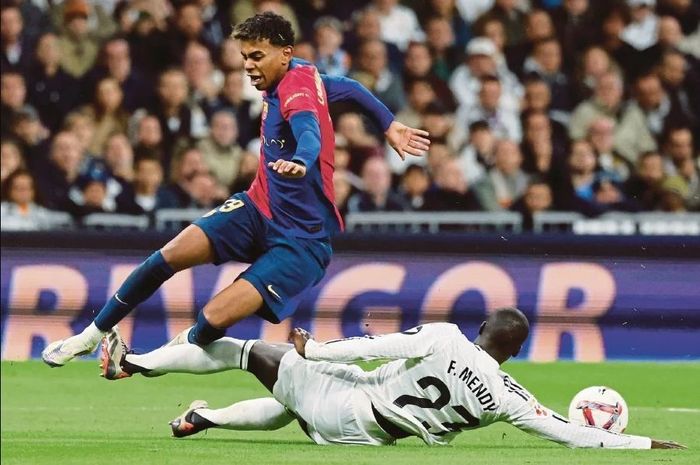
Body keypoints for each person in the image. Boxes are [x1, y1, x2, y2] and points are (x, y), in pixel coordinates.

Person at [42, 12, 430, 368]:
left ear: (284, 53)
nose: (248, 65)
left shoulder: (295, 89)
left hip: (300, 243)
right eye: (245, 56)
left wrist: (303, 159)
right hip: (257, 207)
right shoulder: (304, 75)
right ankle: (89, 337)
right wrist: (389, 123)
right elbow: (349, 87)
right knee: (168, 256)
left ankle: (140, 363)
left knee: (211, 320)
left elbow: (308, 131)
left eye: (257, 56)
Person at [98, 307, 684, 450]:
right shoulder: (509, 397)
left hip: (349, 402)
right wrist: (644, 443)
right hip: (364, 435)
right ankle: (204, 417)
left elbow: (375, 348)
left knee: (245, 351)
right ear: (514, 352)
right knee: (288, 405)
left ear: (483, 328)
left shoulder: (447, 337)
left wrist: (317, 348)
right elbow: (569, 433)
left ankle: (132, 364)